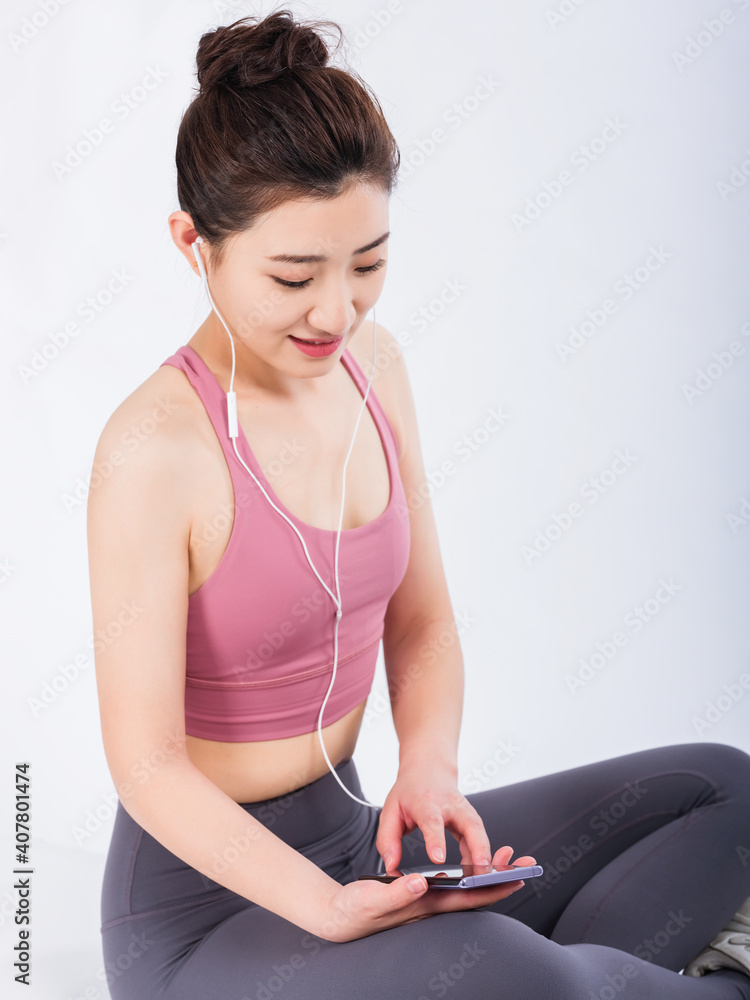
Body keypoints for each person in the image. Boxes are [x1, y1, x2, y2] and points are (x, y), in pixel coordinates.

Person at [87, 9, 750, 999]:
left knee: (724, 789)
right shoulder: (153, 449)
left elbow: (424, 618)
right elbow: (146, 766)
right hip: (211, 915)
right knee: (534, 981)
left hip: (360, 839)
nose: (336, 312)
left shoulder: (375, 368)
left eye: (368, 263)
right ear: (195, 244)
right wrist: (328, 907)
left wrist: (429, 771)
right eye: (293, 274)